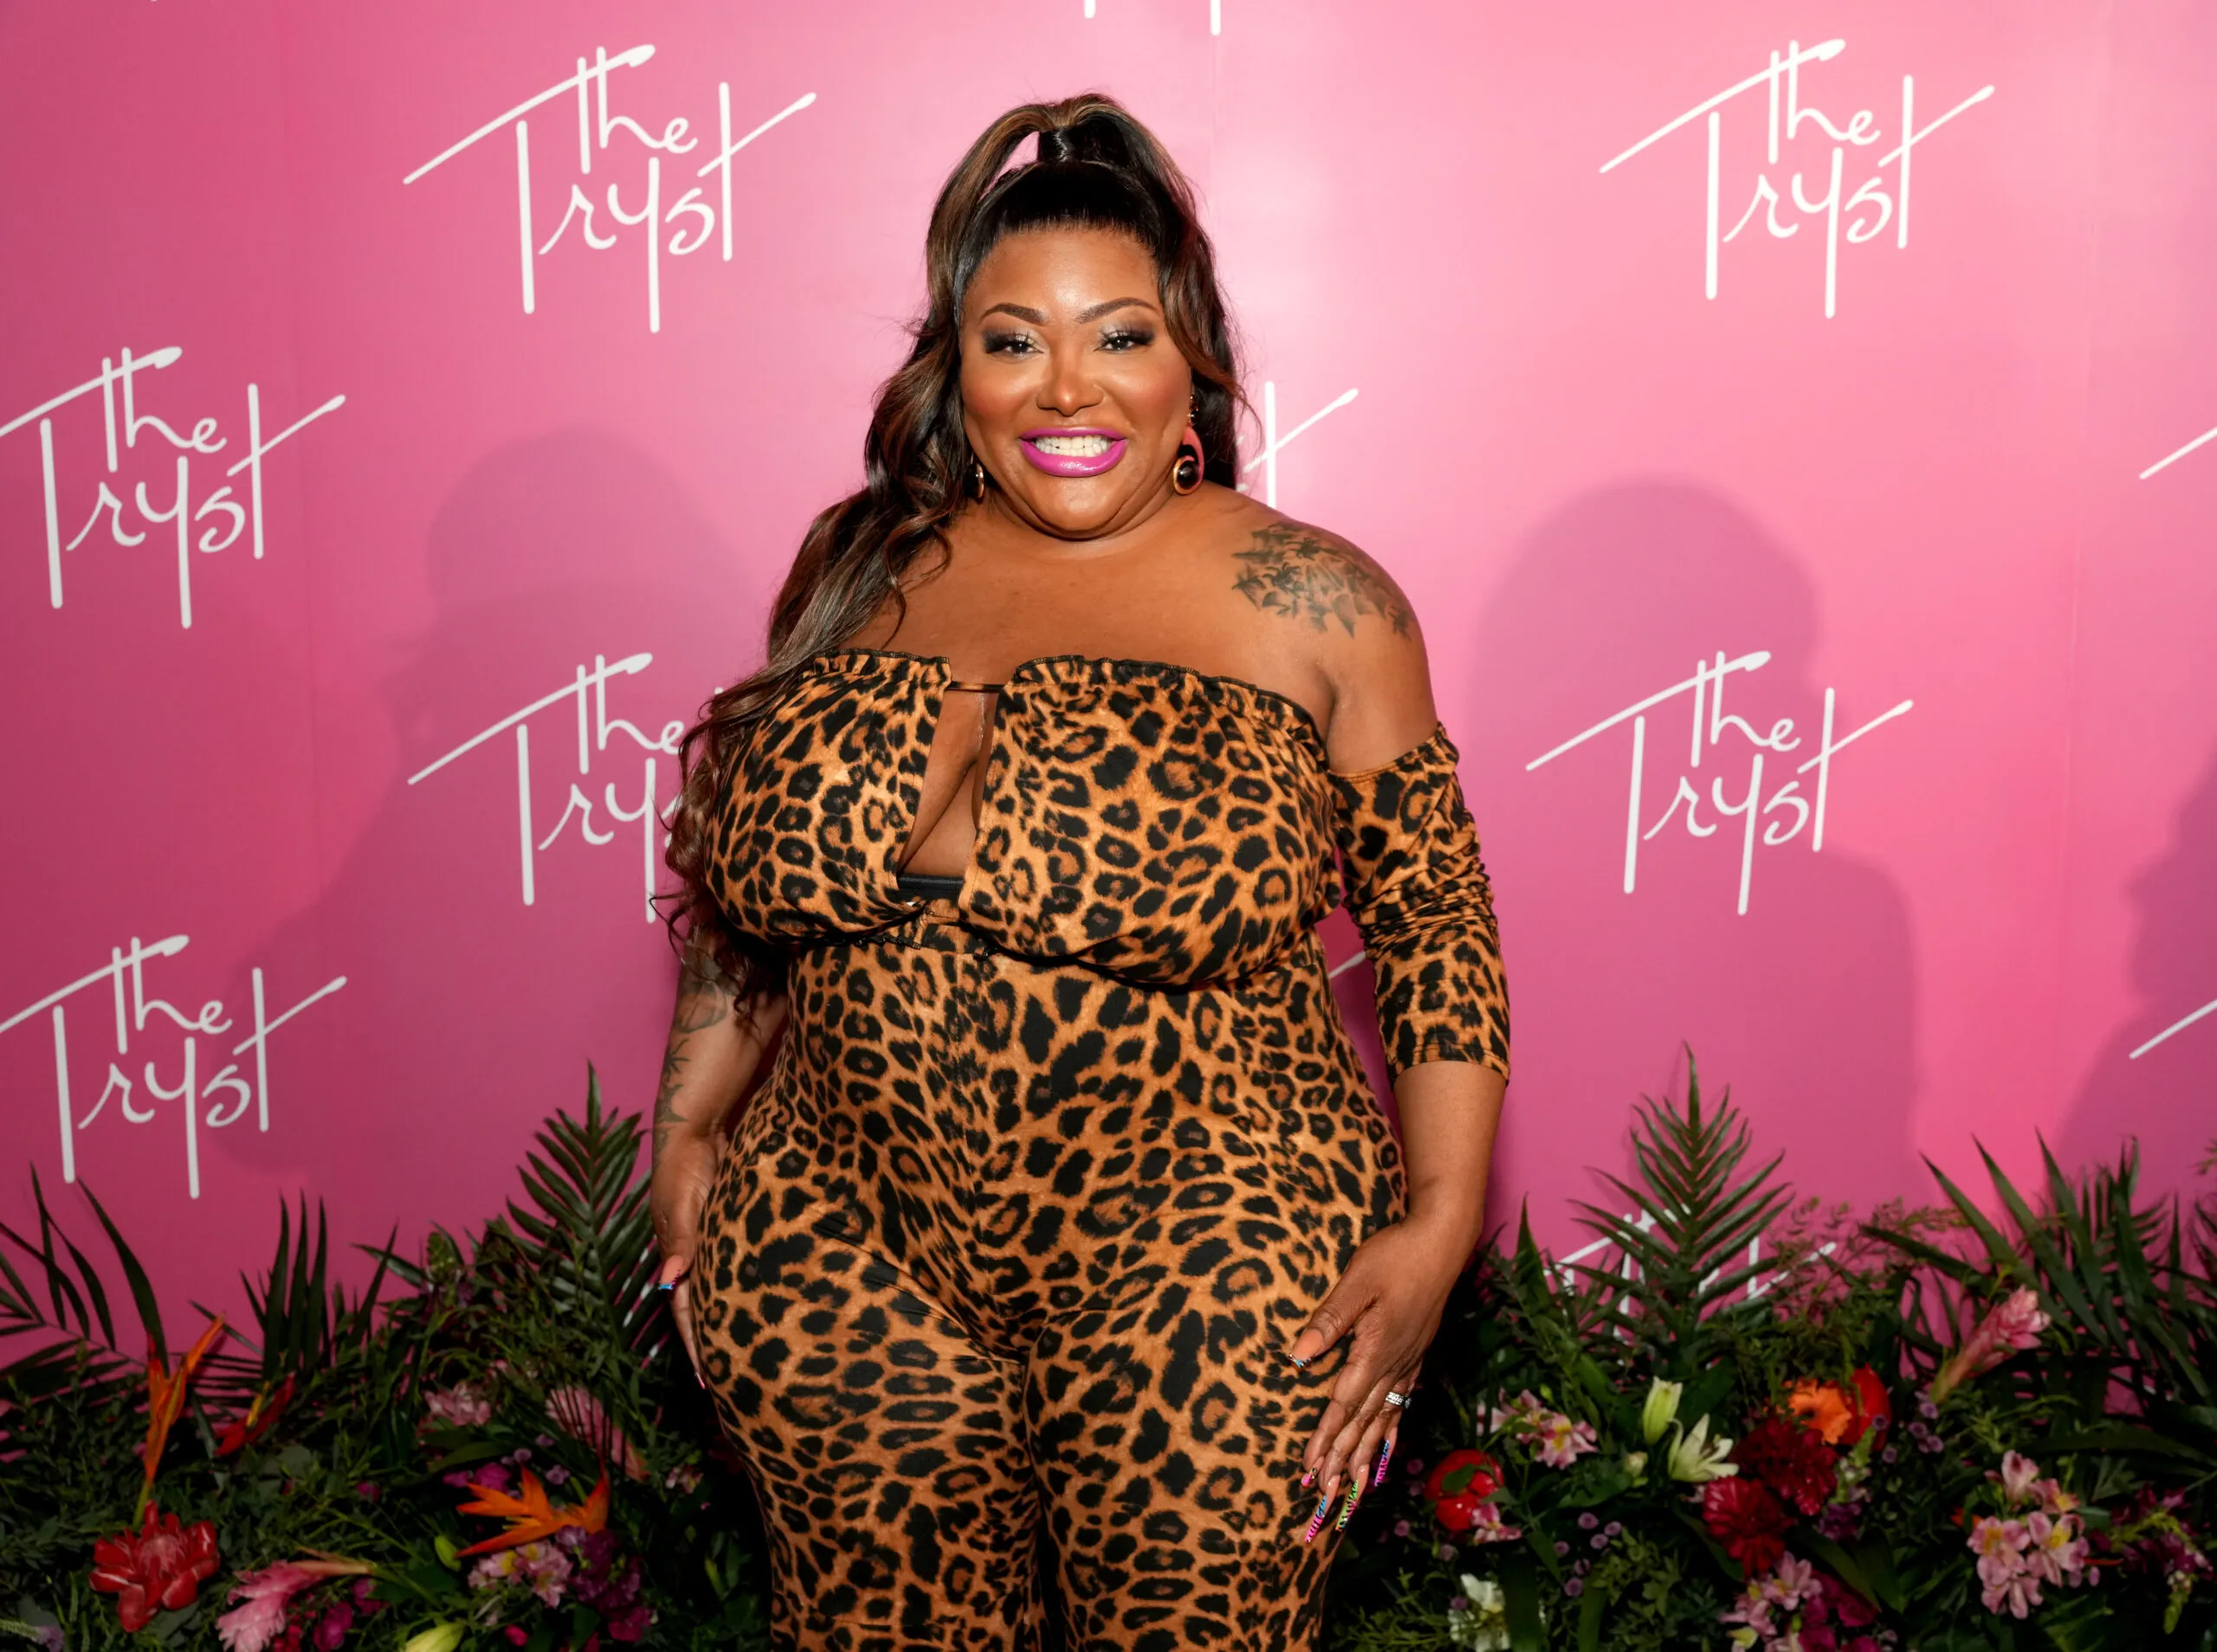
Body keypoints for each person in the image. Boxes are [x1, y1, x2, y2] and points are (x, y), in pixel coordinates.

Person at [649, 92, 1509, 1652]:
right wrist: (690, 1128)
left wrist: (1442, 1225)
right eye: (1012, 340)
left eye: (1119, 336)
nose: (1065, 387)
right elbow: (746, 904)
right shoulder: (858, 572)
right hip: (842, 1258)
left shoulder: (1315, 603)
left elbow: (1435, 924)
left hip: (1212, 1266)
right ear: (956, 371)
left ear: (1192, 370)